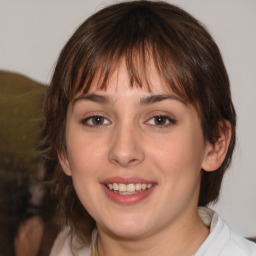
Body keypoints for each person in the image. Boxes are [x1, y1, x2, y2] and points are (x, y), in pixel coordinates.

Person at [40, 1, 256, 255]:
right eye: (97, 120)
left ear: (215, 144)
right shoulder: (61, 248)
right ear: (63, 149)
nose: (123, 151)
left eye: (160, 120)